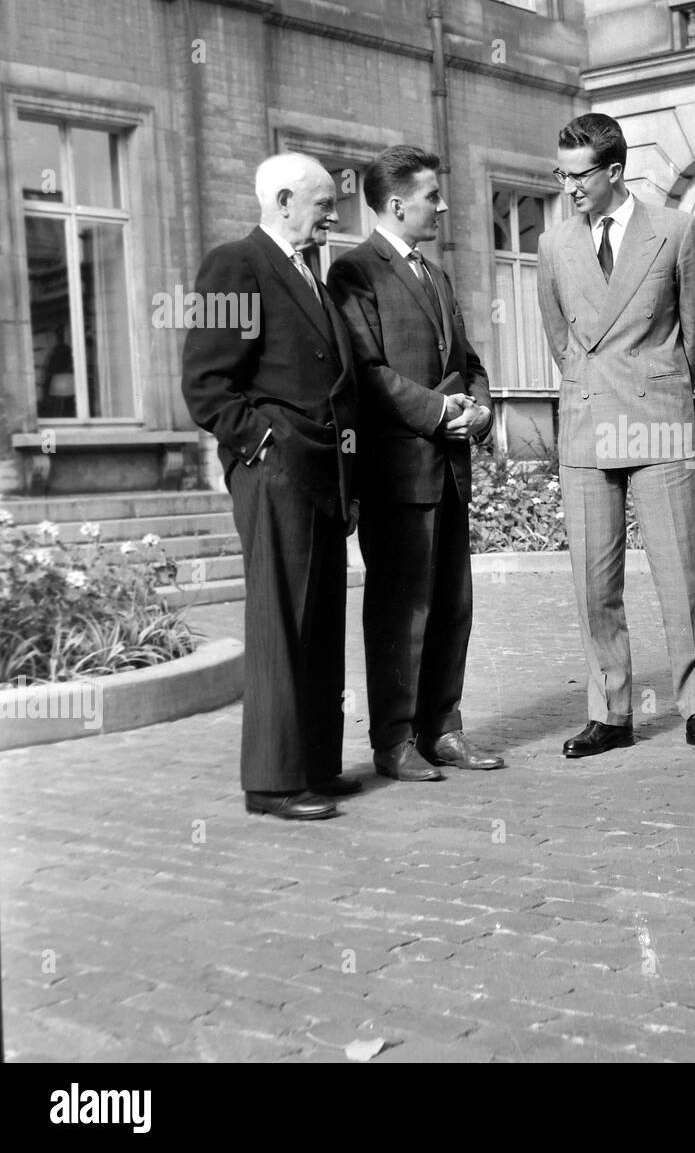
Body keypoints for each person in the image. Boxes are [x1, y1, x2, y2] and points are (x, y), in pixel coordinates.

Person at [537, 112, 695, 757]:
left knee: (680, 576)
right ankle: (610, 714)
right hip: (588, 421)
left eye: (578, 175)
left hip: (656, 421)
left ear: (614, 171)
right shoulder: (553, 245)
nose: (568, 188)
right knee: (594, 584)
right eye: (560, 174)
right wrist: (587, 386)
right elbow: (561, 339)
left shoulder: (676, 231)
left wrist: (661, 387)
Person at [182, 153, 359, 820]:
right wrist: (263, 446)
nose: (332, 215)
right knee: (280, 621)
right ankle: (273, 782)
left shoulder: (306, 272)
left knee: (317, 621)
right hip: (276, 471)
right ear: (284, 201)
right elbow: (206, 383)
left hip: (320, 472)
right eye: (322, 203)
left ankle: (313, 763)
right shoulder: (236, 263)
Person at [326, 146, 502, 781]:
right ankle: (394, 740)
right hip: (398, 477)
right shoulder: (353, 273)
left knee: (454, 604)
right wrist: (438, 412)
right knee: (402, 611)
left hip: (450, 469)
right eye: (433, 195)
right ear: (397, 205)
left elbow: (470, 360)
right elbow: (365, 375)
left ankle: (443, 729)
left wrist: (478, 410)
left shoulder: (436, 274)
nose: (444, 205)